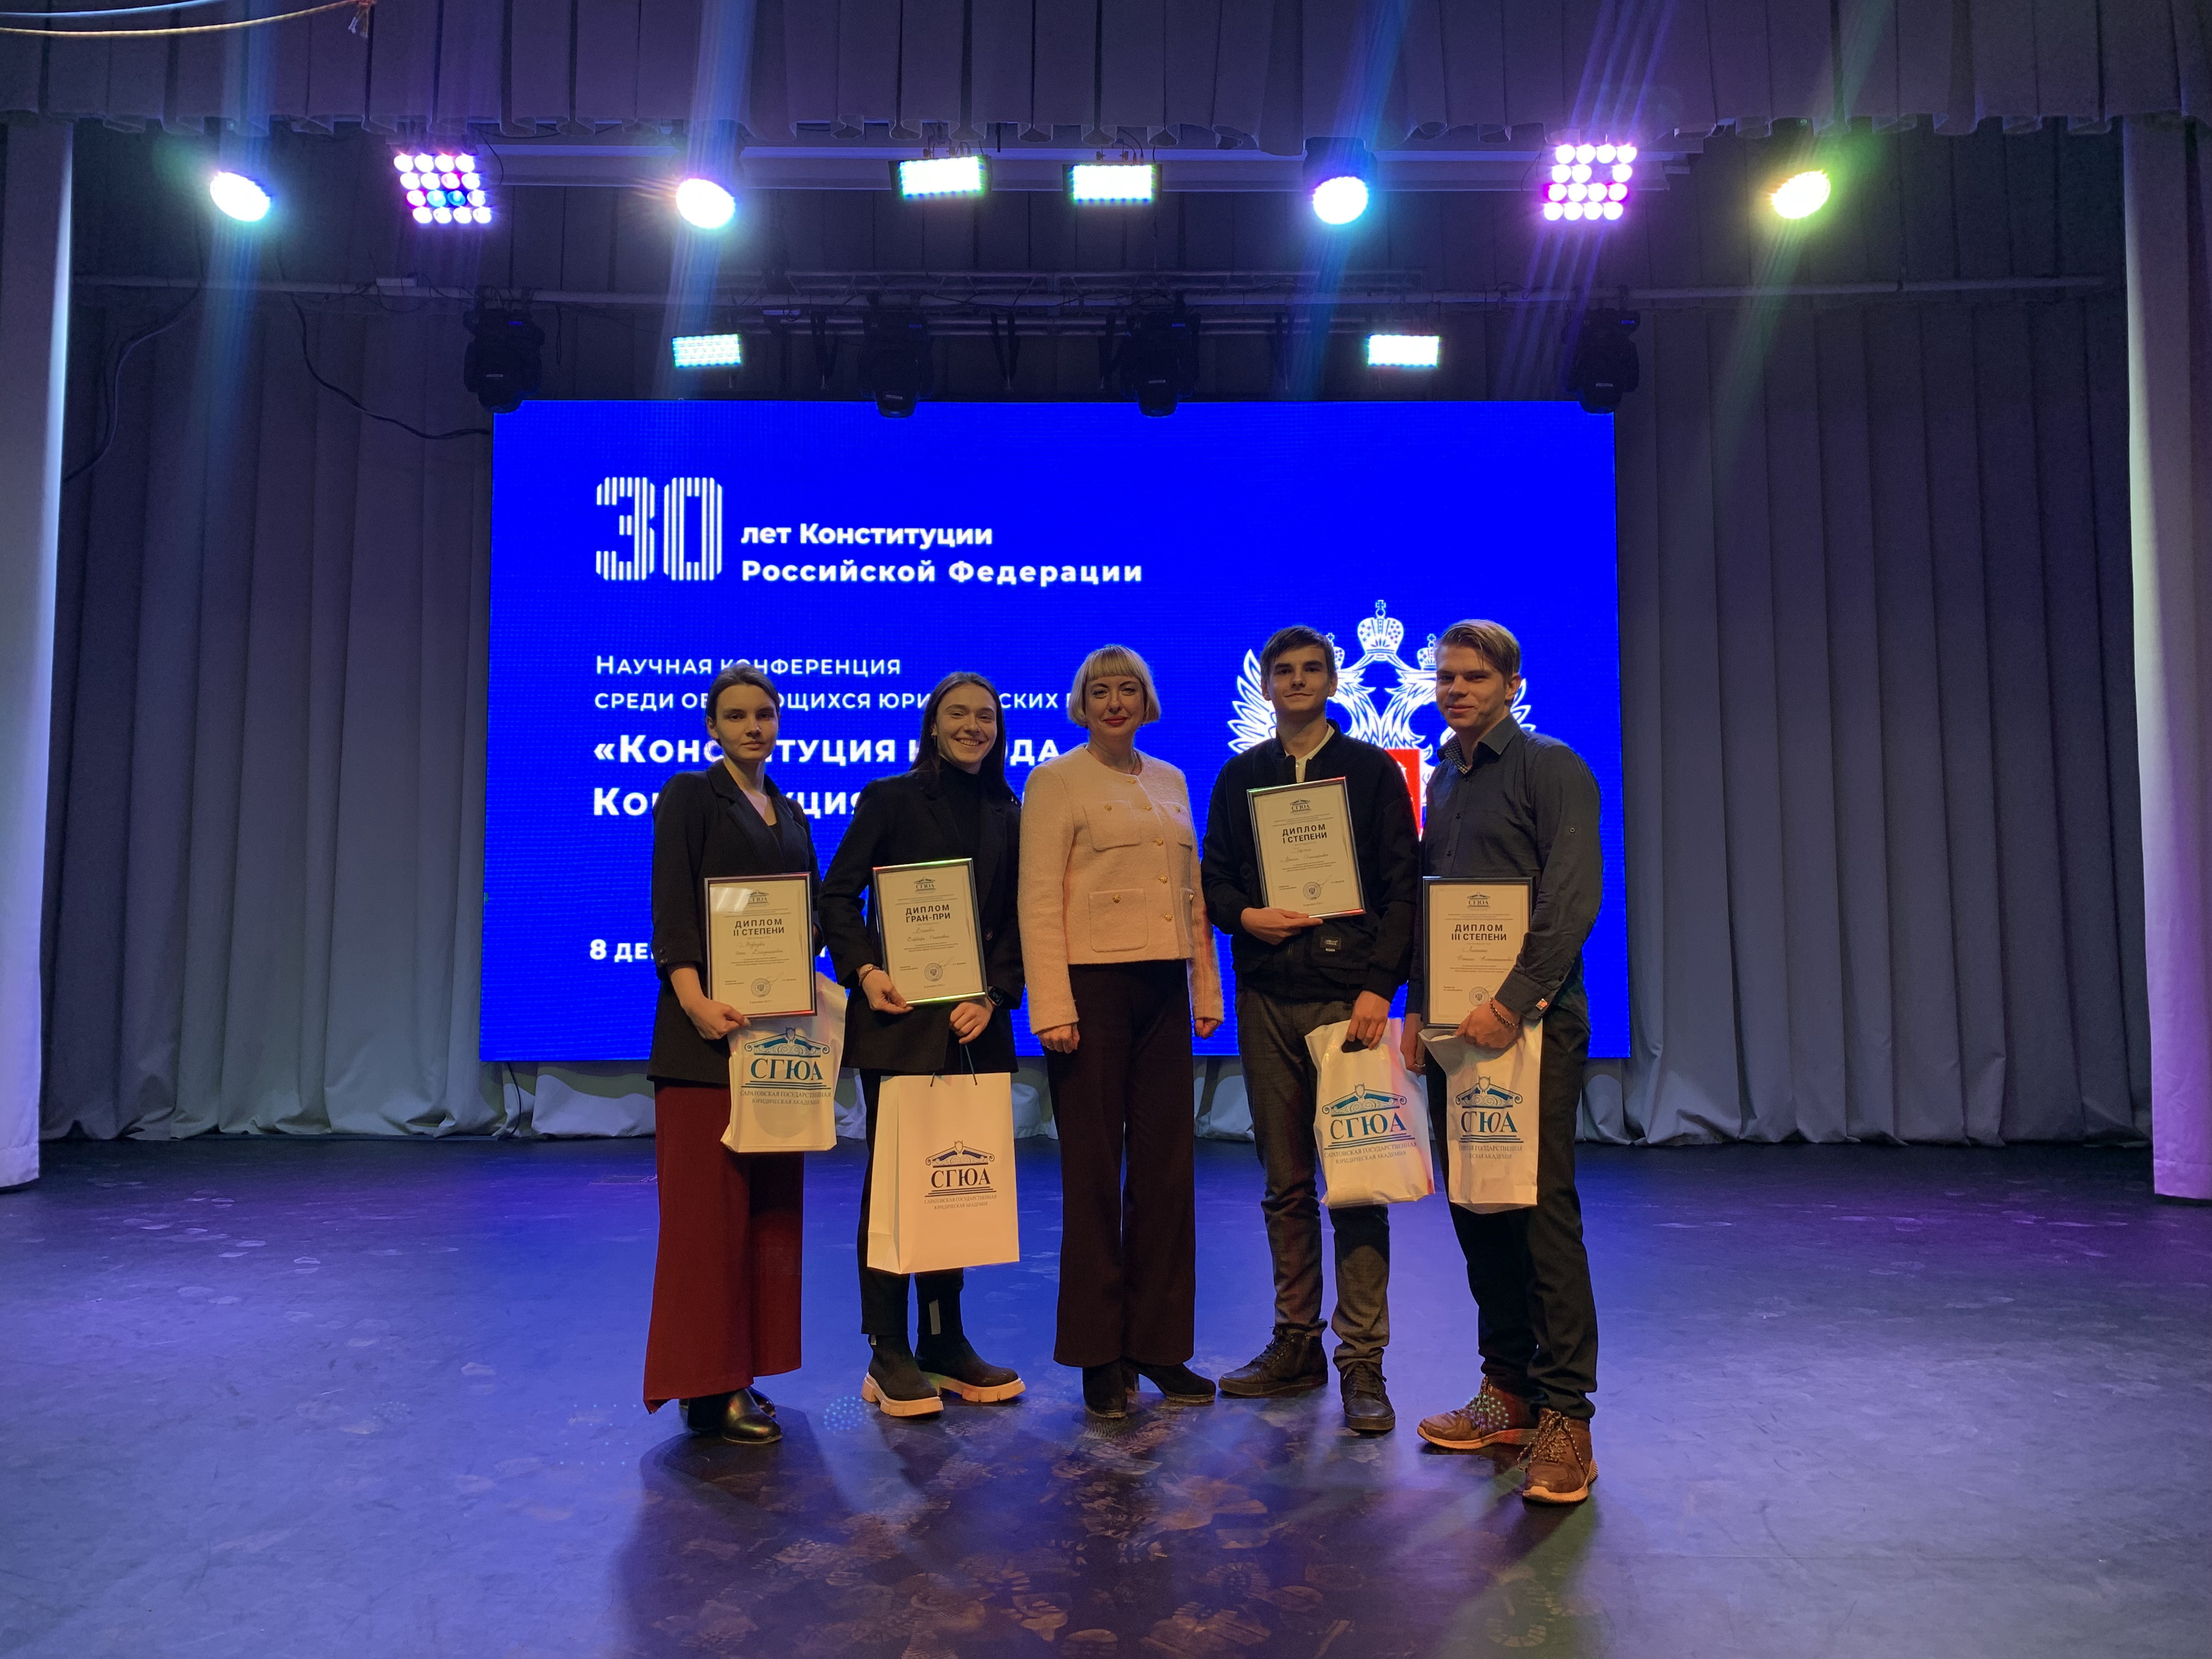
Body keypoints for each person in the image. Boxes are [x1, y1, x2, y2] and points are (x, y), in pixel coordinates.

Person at [1399, 620, 1604, 1503]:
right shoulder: (1443, 777)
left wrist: (1511, 1002)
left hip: (1531, 1029)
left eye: (1475, 677)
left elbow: (1571, 900)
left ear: (1512, 685)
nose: (1456, 690)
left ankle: (1567, 1419)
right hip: (1457, 1030)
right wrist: (1422, 1005)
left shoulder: (1551, 767)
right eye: (1446, 677)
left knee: (1540, 1212)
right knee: (1478, 1206)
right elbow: (1435, 905)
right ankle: (1508, 1392)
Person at [1200, 625, 1419, 1434]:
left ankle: (1362, 1360)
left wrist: (1379, 987)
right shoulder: (1240, 777)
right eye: (1283, 671)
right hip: (1266, 998)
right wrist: (1244, 916)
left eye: (1312, 669)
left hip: (1348, 1001)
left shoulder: (1371, 772)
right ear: (1265, 685)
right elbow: (1213, 878)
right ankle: (1295, 1343)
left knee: (1357, 1185)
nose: (1297, 681)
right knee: (1285, 1184)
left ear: (1331, 681)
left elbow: (1403, 887)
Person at [1018, 645, 1224, 1419]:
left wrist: (1205, 985)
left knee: (1168, 1173)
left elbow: (1191, 893)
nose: (1114, 702)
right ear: (1082, 702)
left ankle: (1159, 1346)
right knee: (1094, 1175)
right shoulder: (1055, 780)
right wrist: (1052, 1005)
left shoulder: (1171, 779)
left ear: (1146, 700)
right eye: (1100, 690)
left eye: (1127, 689)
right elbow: (1038, 899)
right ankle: (1099, 1354)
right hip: (1091, 994)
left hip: (1164, 990)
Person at [821, 673, 1028, 1419]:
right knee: (895, 1188)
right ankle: (887, 1350)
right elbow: (836, 896)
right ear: (933, 725)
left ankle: (943, 1341)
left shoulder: (1012, 810)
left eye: (986, 716)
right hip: (899, 1023)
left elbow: (1022, 921)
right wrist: (866, 971)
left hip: (975, 1028)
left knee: (954, 1187)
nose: (973, 726)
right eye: (958, 714)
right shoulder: (891, 798)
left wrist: (994, 994)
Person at [643, 662, 819, 1446]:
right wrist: (692, 997)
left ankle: (738, 1372)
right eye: (738, 715)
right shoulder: (689, 795)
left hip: (775, 1040)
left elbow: (805, 916)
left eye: (765, 715)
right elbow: (673, 904)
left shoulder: (793, 811)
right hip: (705, 1037)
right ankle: (704, 1387)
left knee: (764, 1216)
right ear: (712, 726)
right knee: (705, 1223)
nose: (754, 727)